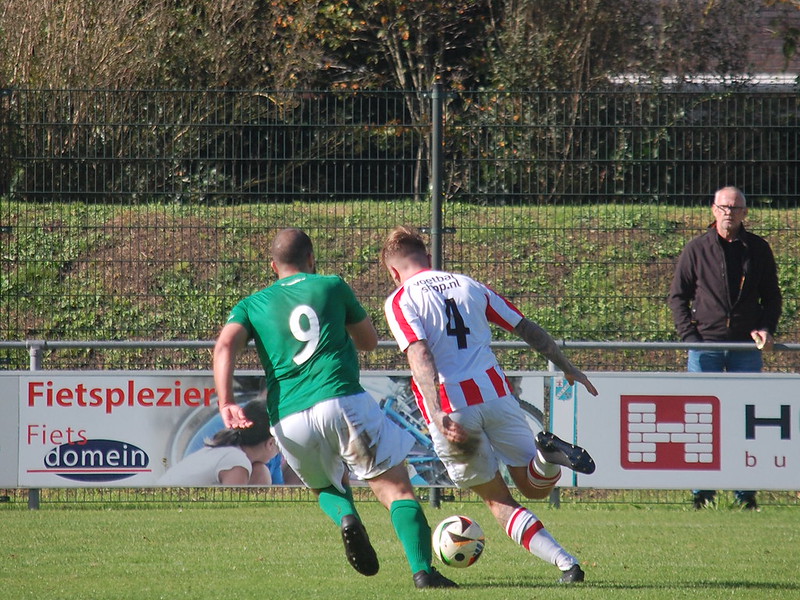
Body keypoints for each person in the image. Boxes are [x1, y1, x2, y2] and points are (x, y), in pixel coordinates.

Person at [213, 227, 456, 589]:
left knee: (326, 487)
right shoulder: (331, 285)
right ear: (311, 259)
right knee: (397, 490)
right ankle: (423, 571)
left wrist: (227, 401)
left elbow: (224, 347)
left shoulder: (252, 304)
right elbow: (369, 342)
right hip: (342, 400)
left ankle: (346, 516)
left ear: (272, 266)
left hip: (289, 416)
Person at [381, 226, 599, 584]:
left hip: (454, 408)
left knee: (499, 501)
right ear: (429, 258)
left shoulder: (401, 298)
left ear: (393, 272)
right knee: (533, 485)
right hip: (496, 395)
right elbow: (525, 327)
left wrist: (436, 412)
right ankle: (547, 461)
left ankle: (566, 562)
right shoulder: (469, 284)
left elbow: (420, 353)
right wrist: (567, 366)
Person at [668, 186, 782, 511]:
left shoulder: (758, 249)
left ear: (745, 212)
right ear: (713, 210)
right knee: (701, 420)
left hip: (746, 348)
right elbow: (678, 297)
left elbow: (772, 297)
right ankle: (702, 492)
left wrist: (766, 328)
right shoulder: (696, 249)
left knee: (745, 419)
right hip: (705, 346)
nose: (729, 212)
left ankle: (745, 493)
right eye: (724, 206)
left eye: (735, 207)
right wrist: (690, 338)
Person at [158, 400, 279, 486]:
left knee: (261, 470)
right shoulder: (237, 462)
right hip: (169, 512)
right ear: (271, 443)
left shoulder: (228, 450)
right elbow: (232, 514)